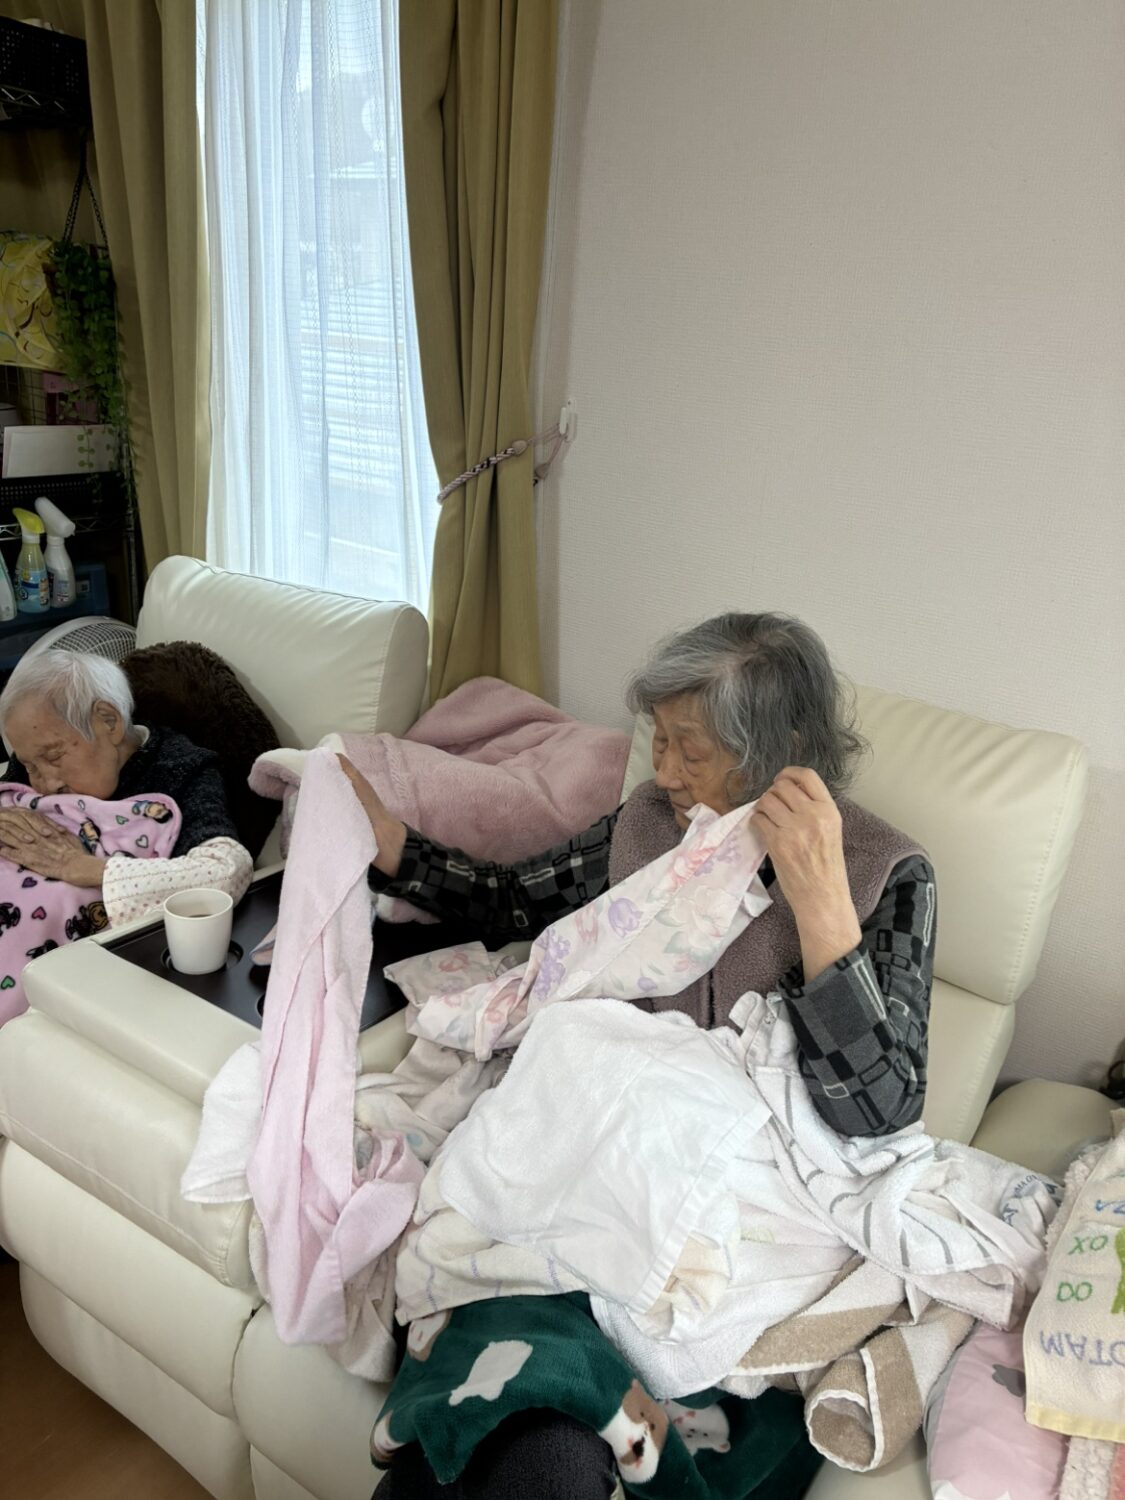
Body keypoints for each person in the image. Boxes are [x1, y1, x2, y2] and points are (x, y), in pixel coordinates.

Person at [342, 611, 937, 1500]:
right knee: (505, 1432)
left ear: (782, 749)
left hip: (725, 1230)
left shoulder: (884, 872)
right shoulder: (650, 824)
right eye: (657, 741)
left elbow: (880, 1112)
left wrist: (819, 905)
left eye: (690, 750)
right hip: (587, 1178)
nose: (663, 773)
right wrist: (395, 847)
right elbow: (518, 900)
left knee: (532, 1436)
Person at [0, 650, 253, 927]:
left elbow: (225, 871)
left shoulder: (180, 771)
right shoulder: (37, 747)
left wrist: (78, 866)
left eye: (54, 756)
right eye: (30, 766)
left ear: (109, 721)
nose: (45, 784)